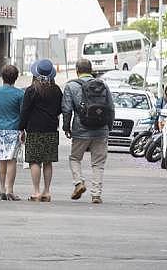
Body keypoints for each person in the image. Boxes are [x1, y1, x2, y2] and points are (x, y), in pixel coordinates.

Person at [62, 58, 114, 204]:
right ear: (91, 70)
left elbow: (67, 109)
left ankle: (79, 182)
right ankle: (96, 194)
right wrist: (108, 127)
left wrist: (67, 127)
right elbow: (110, 108)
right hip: (101, 130)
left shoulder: (71, 86)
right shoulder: (102, 85)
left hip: (80, 129)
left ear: (77, 70)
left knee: (75, 158)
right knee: (98, 163)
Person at [19, 59, 63, 202]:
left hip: (34, 129)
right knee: (48, 161)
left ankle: (36, 191)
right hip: (51, 129)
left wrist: (21, 129)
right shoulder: (56, 90)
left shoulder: (31, 90)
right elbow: (59, 109)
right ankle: (47, 191)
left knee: (35, 161)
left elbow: (24, 111)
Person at [0, 65, 24, 201]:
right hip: (14, 128)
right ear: (16, 78)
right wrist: (23, 130)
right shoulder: (20, 94)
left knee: (2, 160)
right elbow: (23, 114)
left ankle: (2, 188)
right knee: (12, 160)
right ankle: (10, 189)